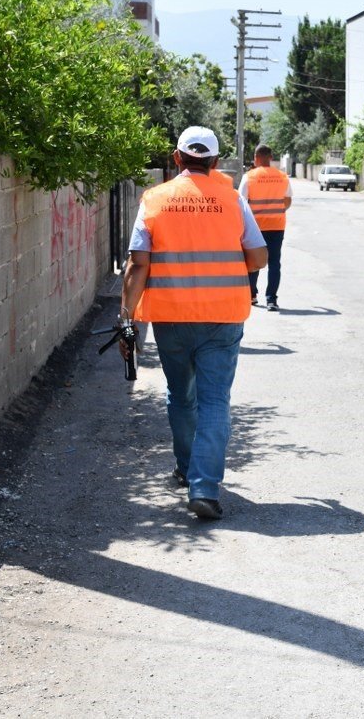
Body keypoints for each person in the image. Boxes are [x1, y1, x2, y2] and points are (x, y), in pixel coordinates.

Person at [120, 126, 267, 520]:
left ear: (176, 158)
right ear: (216, 162)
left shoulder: (155, 199)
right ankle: (204, 488)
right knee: (215, 400)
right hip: (222, 316)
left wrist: (126, 319)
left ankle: (186, 469)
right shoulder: (232, 199)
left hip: (170, 317)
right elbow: (258, 258)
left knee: (181, 396)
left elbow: (138, 264)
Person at [239, 144, 292, 311]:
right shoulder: (282, 176)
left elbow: (241, 202)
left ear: (255, 158)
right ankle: (271, 299)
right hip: (277, 224)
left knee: (253, 260)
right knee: (274, 262)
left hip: (255, 226)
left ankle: (252, 295)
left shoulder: (250, 177)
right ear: (271, 158)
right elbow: (288, 200)